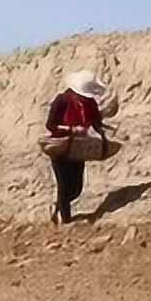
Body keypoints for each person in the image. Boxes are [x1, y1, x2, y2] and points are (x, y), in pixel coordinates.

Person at [45, 70, 109, 224]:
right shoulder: (62, 100)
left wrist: (102, 132)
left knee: (77, 188)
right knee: (64, 184)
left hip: (78, 148)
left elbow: (95, 121)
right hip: (61, 148)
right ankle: (65, 219)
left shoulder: (89, 103)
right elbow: (50, 125)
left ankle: (58, 207)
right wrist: (71, 129)